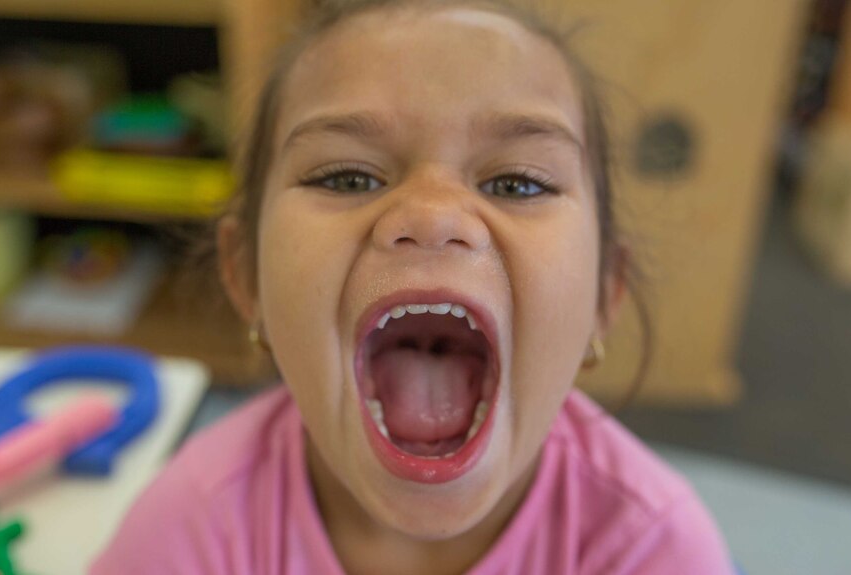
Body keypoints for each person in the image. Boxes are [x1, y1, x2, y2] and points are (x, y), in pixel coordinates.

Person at [91, 0, 735, 573]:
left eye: (518, 184)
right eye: (347, 177)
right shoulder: (190, 527)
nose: (432, 216)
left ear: (603, 294)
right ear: (246, 275)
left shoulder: (650, 548)